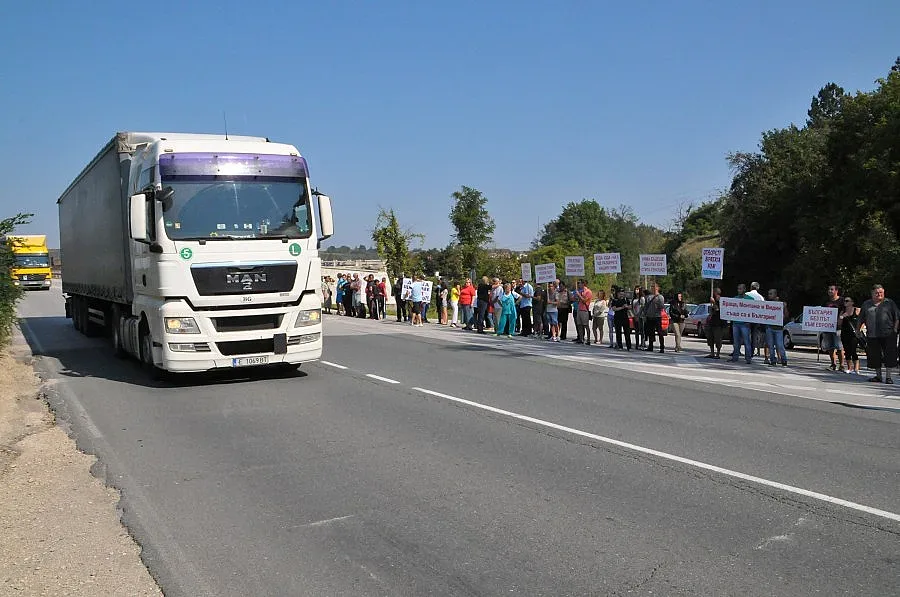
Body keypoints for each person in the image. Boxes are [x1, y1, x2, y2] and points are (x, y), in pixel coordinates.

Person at [857, 284, 900, 384]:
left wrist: (894, 329)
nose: (879, 294)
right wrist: (858, 330)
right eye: (876, 293)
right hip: (872, 334)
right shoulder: (866, 304)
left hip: (888, 334)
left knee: (889, 355)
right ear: (872, 293)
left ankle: (888, 377)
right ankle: (878, 376)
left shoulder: (889, 303)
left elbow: (897, 317)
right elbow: (860, 319)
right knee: (874, 356)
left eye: (881, 292)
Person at [822, 284, 846, 372]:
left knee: (839, 346)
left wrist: (841, 318)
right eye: (829, 289)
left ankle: (842, 365)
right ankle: (833, 364)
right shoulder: (826, 301)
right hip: (827, 327)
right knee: (830, 346)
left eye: (831, 289)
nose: (829, 291)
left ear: (836, 291)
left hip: (838, 327)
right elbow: (822, 312)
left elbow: (846, 311)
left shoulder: (842, 300)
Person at [730, 283, 753, 363]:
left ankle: (748, 358)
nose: (739, 290)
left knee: (747, 342)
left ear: (744, 289)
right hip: (736, 323)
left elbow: (753, 311)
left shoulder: (750, 299)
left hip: (745, 324)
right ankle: (735, 357)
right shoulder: (734, 299)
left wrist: (749, 321)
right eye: (738, 288)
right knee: (736, 342)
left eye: (740, 289)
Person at [765, 288, 788, 366]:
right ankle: (772, 360)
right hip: (769, 327)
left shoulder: (781, 304)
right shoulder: (767, 304)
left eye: (771, 294)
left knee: (780, 345)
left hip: (778, 328)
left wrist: (785, 308)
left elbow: (786, 316)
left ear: (775, 295)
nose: (769, 295)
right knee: (770, 345)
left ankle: (784, 360)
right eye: (768, 294)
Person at [839, 295, 861, 374]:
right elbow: (839, 324)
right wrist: (842, 317)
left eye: (847, 301)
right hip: (844, 333)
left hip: (854, 334)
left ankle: (856, 369)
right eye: (845, 301)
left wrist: (859, 330)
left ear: (852, 302)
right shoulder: (843, 311)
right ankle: (849, 368)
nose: (845, 302)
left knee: (853, 350)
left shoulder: (857, 310)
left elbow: (862, 321)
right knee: (847, 351)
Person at [644, 283, 666, 353]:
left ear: (658, 288)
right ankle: (650, 347)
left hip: (657, 316)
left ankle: (662, 347)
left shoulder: (660, 297)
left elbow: (662, 307)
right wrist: (645, 314)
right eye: (652, 287)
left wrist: (657, 304)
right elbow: (646, 306)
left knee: (660, 332)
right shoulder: (648, 297)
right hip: (649, 316)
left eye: (655, 287)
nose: (653, 288)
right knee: (650, 332)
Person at [706, 288, 726, 359]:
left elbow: (718, 309)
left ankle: (718, 354)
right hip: (712, 322)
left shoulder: (722, 301)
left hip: (719, 324)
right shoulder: (714, 300)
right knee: (710, 338)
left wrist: (714, 303)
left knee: (718, 339)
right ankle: (712, 353)